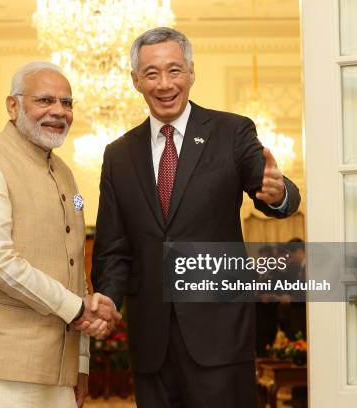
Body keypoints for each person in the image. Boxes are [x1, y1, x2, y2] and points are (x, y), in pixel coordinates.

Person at [91, 27, 301, 407]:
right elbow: (112, 247)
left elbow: (272, 188)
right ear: (136, 80)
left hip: (220, 336)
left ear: (190, 73)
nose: (165, 84)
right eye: (152, 73)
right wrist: (107, 299)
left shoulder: (232, 131)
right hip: (152, 341)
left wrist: (280, 193)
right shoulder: (118, 155)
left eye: (174, 70)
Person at [0, 61, 121, 408]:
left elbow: (75, 269)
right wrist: (78, 310)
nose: (58, 111)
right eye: (44, 100)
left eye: (67, 103)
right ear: (12, 106)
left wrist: (81, 363)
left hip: (56, 370)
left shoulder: (68, 178)